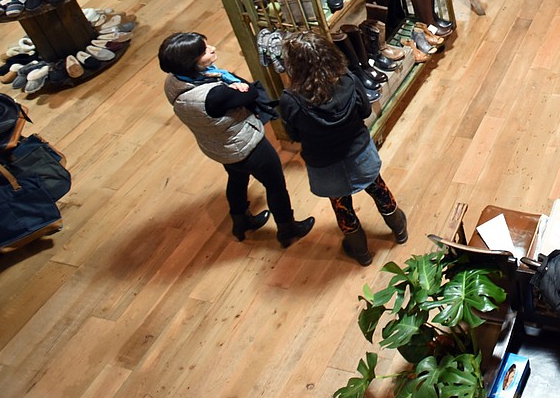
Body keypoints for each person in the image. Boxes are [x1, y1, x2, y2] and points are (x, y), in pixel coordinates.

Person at [158, 32, 314, 248]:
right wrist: (234, 85)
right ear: (190, 62)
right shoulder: (214, 95)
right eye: (204, 50)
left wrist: (229, 85)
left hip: (219, 147)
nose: (212, 48)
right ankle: (287, 229)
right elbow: (250, 92)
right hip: (246, 145)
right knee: (275, 185)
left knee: (237, 179)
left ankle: (241, 222)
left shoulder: (174, 81)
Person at [278, 32, 407, 265]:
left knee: (341, 206)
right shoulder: (347, 80)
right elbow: (366, 111)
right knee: (378, 187)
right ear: (328, 55)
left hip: (325, 163)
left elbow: (293, 134)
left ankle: (360, 251)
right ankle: (399, 229)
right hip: (358, 152)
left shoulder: (291, 99)